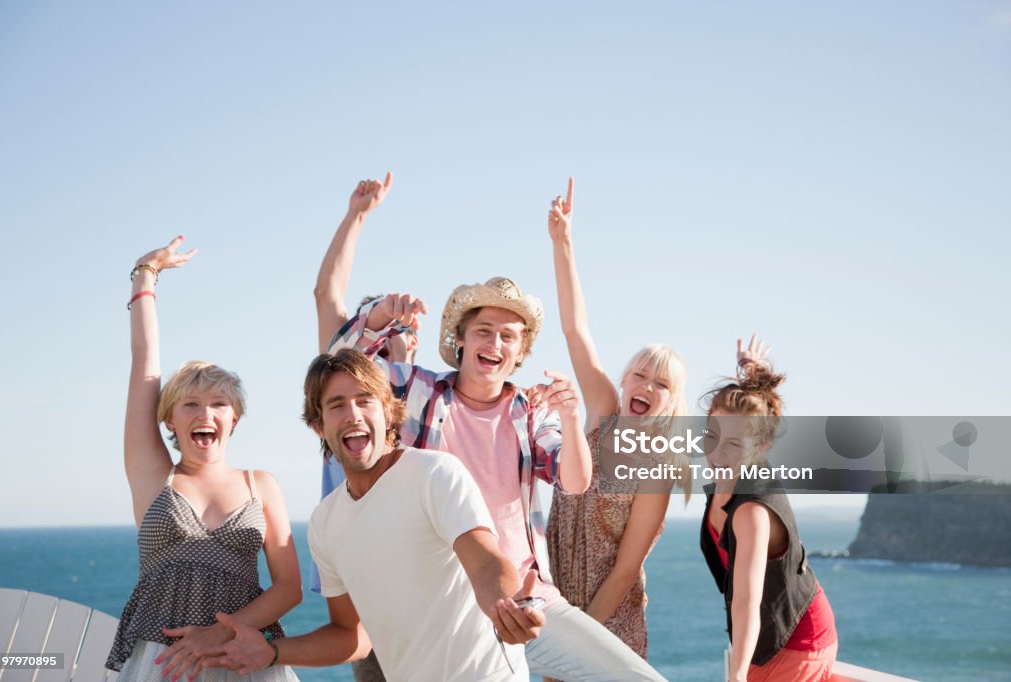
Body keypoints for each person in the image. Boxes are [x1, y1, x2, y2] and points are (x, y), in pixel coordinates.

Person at [328, 275, 668, 680]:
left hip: (528, 602)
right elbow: (338, 365)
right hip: (444, 609)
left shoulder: (531, 412)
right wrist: (380, 314)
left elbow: (574, 481)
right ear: (460, 339)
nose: (494, 344)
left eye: (509, 336)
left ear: (521, 351)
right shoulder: (416, 391)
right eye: (483, 332)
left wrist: (571, 417)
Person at [205, 348, 545, 681]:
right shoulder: (325, 522)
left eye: (364, 400)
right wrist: (272, 650)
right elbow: (350, 636)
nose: (352, 414)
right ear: (319, 426)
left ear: (387, 412)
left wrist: (505, 607)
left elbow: (485, 560)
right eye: (337, 405)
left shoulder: (434, 473)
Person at [108, 237, 302, 682]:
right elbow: (145, 364)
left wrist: (217, 634)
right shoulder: (155, 475)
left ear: (234, 419)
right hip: (164, 665)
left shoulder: (261, 485)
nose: (205, 413)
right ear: (169, 421)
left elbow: (290, 588)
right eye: (190, 404)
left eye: (218, 404)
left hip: (241, 657)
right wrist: (145, 275)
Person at [544, 177, 689, 660]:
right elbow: (574, 328)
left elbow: (626, 570)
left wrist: (574, 640)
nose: (647, 386)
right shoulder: (602, 411)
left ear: (671, 403)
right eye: (640, 375)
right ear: (624, 381)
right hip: (554, 607)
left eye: (661, 384)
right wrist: (563, 243)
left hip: (607, 626)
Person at [311, 172, 415, 682]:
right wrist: (356, 216)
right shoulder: (338, 377)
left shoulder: (419, 394)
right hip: (356, 562)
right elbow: (326, 289)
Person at [700, 335, 838, 682]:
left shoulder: (751, 513)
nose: (717, 453)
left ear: (758, 446)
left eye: (733, 444)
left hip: (799, 639)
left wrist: (736, 675)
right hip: (764, 635)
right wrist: (751, 369)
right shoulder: (726, 477)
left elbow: (747, 601)